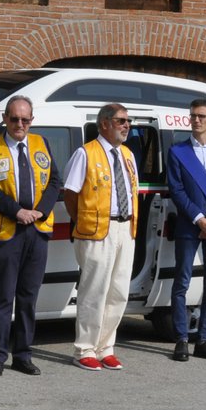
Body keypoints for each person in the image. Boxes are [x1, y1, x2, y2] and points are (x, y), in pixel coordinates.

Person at [0, 95, 59, 376]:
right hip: (7, 232)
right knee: (2, 298)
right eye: (14, 118)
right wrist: (16, 212)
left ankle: (22, 355)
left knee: (28, 298)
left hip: (37, 230)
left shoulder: (41, 143)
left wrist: (40, 212)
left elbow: (55, 181)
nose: (20, 124)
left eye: (25, 119)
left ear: (32, 120)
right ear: (4, 118)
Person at [62, 103, 140, 371]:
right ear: (104, 123)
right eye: (121, 121)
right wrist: (82, 220)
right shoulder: (86, 153)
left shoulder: (128, 155)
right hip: (96, 230)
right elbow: (70, 194)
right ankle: (84, 348)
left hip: (125, 229)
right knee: (94, 291)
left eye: (128, 121)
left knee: (118, 291)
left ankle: (106, 347)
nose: (126, 125)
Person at [165, 98, 206, 362]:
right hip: (189, 225)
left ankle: (205, 339)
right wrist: (199, 219)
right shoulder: (178, 151)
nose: (196, 120)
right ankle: (181, 339)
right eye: (193, 116)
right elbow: (177, 190)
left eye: (202, 116)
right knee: (181, 282)